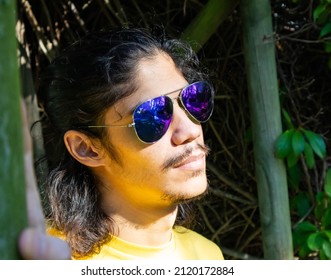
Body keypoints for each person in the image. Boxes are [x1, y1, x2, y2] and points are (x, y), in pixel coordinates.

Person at [19, 27, 224, 260]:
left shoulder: (207, 255)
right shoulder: (47, 260)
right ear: (86, 148)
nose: (189, 130)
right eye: (152, 116)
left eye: (193, 99)